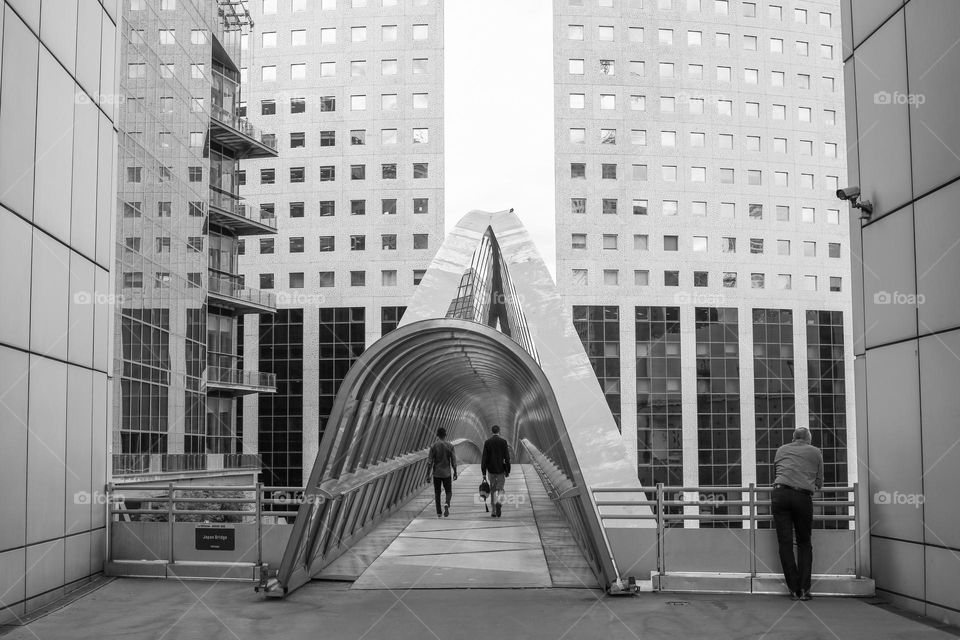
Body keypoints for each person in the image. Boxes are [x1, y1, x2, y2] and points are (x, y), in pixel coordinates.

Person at [772, 426, 823, 601]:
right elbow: (819, 482)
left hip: (780, 494)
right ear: (808, 439)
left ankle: (793, 589)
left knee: (785, 543)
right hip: (802, 497)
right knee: (804, 542)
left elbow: (777, 472)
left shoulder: (781, 450)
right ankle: (804, 589)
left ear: (794, 438)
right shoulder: (815, 452)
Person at [480, 425, 511, 518]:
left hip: (491, 471)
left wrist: (483, 473)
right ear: (499, 431)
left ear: (492, 431)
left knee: (493, 490)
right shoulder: (503, 442)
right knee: (501, 489)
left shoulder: (487, 442)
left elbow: (484, 458)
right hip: (501, 470)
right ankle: (499, 502)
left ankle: (493, 511)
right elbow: (507, 458)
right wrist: (508, 470)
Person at [427, 427, 457, 518]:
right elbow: (454, 461)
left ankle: (439, 512)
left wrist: (428, 474)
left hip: (437, 473)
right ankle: (447, 503)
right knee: (448, 491)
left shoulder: (433, 446)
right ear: (445, 435)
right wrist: (455, 472)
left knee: (437, 492)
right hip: (447, 473)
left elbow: (429, 462)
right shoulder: (450, 446)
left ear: (437, 435)